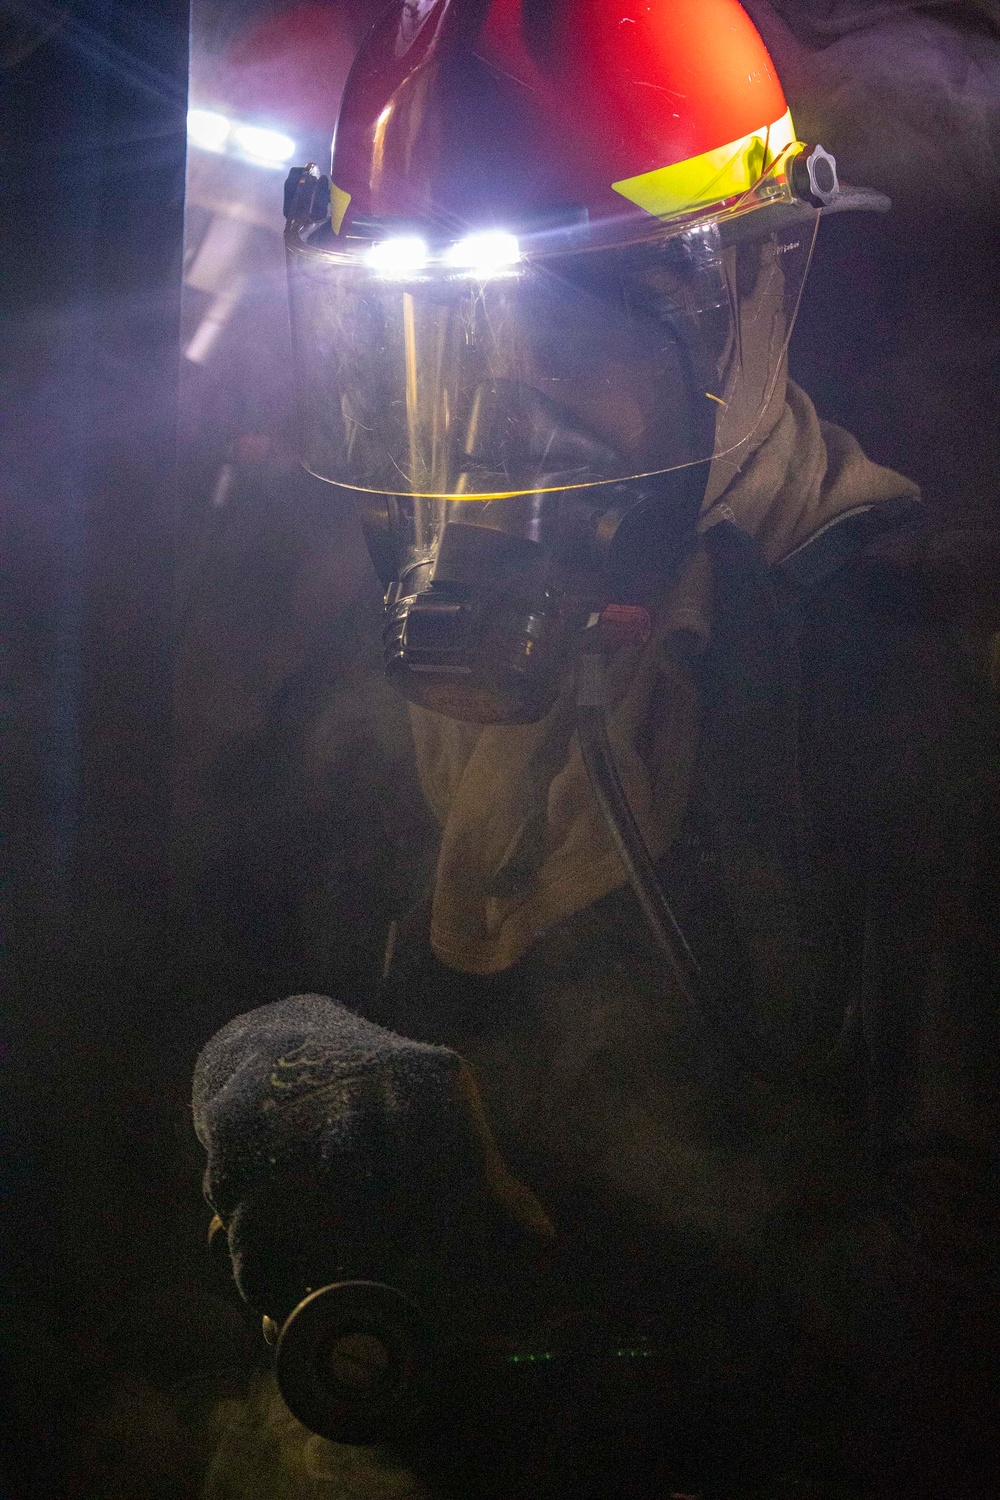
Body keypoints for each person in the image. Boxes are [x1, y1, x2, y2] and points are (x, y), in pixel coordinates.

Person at [193, 0, 999, 1494]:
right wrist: (270, 1069)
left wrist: (566, 1328)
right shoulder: (369, 655)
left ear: (747, 300)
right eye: (438, 343)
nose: (495, 424)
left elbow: (957, 1313)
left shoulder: (895, 684)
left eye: (564, 335)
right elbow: (208, 951)